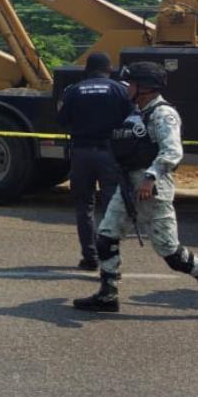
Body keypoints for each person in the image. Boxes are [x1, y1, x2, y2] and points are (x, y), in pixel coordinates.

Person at [73, 62, 198, 318]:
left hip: (152, 188)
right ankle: (108, 294)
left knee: (170, 251)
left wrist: (150, 178)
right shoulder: (136, 111)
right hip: (128, 184)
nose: (127, 87)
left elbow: (172, 151)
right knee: (106, 237)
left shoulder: (163, 114)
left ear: (145, 88)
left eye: (132, 83)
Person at [55, 51, 133, 268]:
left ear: (87, 70)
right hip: (110, 154)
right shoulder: (120, 90)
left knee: (84, 207)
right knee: (111, 207)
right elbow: (131, 120)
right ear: (109, 69)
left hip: (81, 154)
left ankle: (90, 258)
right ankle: (110, 257)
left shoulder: (74, 91)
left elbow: (61, 120)